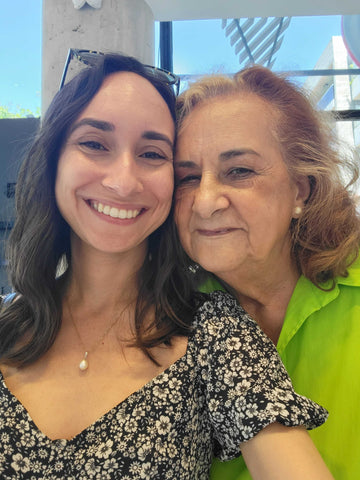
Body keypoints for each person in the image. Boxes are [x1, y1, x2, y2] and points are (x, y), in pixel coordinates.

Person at [0, 53, 333, 480]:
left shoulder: (217, 331)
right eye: (95, 144)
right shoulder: (8, 322)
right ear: (53, 161)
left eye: (153, 153)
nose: (123, 181)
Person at [174, 64, 360, 480]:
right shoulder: (166, 319)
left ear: (301, 187)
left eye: (239, 171)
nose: (205, 202)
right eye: (186, 177)